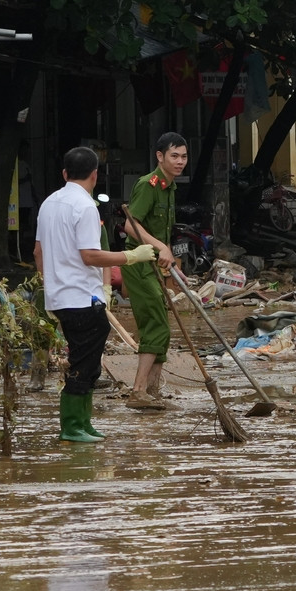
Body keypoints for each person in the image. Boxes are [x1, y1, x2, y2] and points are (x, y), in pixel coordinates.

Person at [35, 146, 157, 442]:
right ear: (95, 175)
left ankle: (83, 422)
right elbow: (90, 256)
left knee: (84, 358)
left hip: (61, 297)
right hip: (80, 297)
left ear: (65, 174)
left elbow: (38, 252)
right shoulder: (86, 207)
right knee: (85, 363)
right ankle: (73, 426)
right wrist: (131, 256)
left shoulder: (48, 203)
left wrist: (49, 285)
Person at [121, 132, 187, 411]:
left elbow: (162, 234)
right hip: (138, 265)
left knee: (163, 325)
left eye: (184, 157)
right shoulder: (148, 185)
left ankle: (152, 391)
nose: (180, 161)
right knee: (155, 324)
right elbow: (129, 225)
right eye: (174, 156)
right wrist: (161, 247)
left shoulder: (170, 188)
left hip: (155, 267)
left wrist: (172, 264)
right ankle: (138, 391)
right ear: (160, 157)